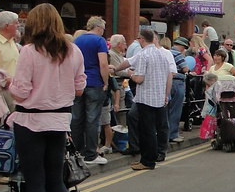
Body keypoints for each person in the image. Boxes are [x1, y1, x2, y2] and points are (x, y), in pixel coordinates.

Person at [5, 3, 84, 192]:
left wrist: (8, 83)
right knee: (56, 180)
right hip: (59, 121)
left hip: (30, 121)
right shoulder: (73, 50)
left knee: (35, 180)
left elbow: (22, 91)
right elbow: (80, 87)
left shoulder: (29, 51)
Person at [117, 29, 174, 171]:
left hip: (146, 99)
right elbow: (128, 61)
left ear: (142, 39)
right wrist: (116, 68)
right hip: (159, 97)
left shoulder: (143, 55)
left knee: (146, 131)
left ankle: (147, 161)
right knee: (155, 129)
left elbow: (139, 79)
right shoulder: (163, 53)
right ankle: (152, 157)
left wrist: (130, 74)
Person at [70, 16, 109, 167]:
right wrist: (105, 82)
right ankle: (91, 154)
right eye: (103, 29)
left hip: (78, 83)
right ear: (98, 28)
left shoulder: (77, 40)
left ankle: (77, 152)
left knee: (77, 118)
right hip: (94, 83)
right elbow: (103, 64)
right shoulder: (99, 41)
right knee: (92, 119)